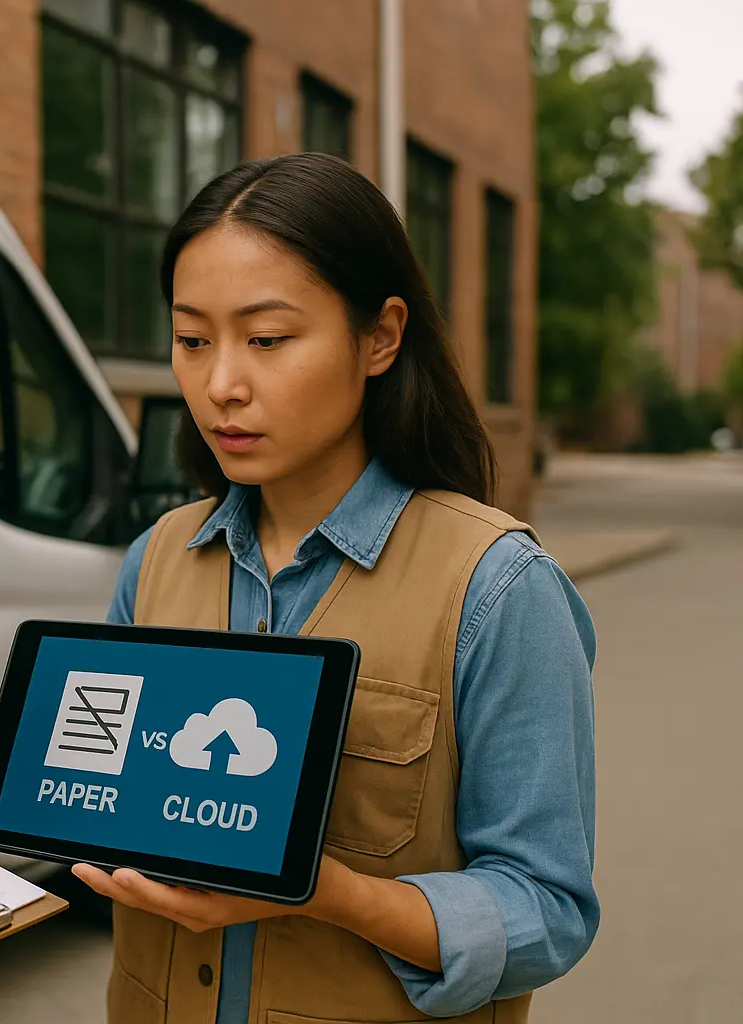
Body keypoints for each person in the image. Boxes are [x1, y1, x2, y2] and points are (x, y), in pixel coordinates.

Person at [75, 154, 598, 1023]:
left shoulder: (498, 588)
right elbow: (95, 814)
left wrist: (327, 893)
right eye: (192, 339)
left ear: (381, 337)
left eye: (268, 339)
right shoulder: (158, 558)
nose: (220, 385)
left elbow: (547, 909)